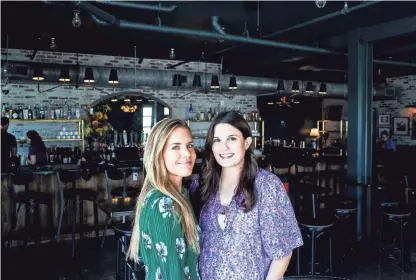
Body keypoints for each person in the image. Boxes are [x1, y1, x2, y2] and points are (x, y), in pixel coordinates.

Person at [191, 111, 303, 280]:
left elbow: (282, 252)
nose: (224, 147)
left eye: (232, 139)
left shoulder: (267, 186)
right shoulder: (201, 186)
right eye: (217, 140)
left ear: (247, 142)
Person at [126, 118, 201, 280]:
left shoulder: (180, 194)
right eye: (176, 147)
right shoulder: (164, 203)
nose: (187, 153)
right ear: (159, 154)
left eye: (189, 145)